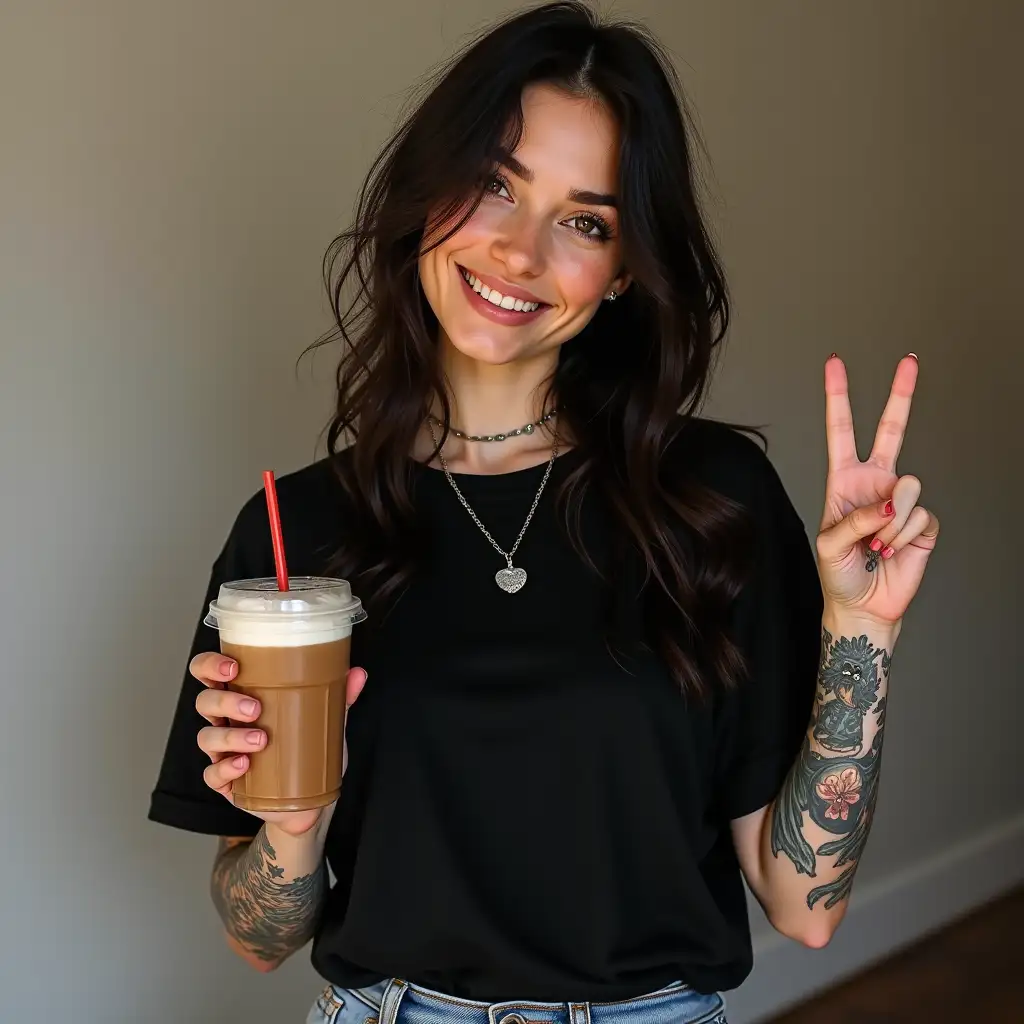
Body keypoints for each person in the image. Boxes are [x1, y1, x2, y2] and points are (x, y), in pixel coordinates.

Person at [148, 4, 939, 1023]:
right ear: (423, 195)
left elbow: (805, 906)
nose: (520, 251)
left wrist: (860, 629)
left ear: (620, 275)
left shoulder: (710, 498)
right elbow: (258, 935)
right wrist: (292, 827)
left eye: (585, 221)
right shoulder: (295, 536)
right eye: (493, 185)